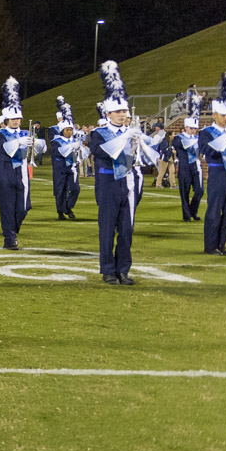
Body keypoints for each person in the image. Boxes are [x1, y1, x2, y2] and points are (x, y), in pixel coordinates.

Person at [88, 61, 157, 284]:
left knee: (127, 230)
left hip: (128, 183)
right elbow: (100, 152)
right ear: (108, 113)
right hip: (108, 184)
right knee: (108, 229)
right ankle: (108, 270)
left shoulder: (131, 131)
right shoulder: (98, 133)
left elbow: (148, 157)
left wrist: (144, 142)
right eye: (118, 111)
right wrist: (124, 138)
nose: (122, 114)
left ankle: (123, 269)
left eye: (124, 111)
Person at [0, 77, 45, 250]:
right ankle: (10, 237)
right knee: (7, 206)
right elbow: (4, 148)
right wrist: (20, 142)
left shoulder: (24, 132)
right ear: (6, 119)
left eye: (18, 118)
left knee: (23, 207)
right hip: (5, 172)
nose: (16, 121)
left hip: (22, 171)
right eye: (12, 118)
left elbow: (42, 147)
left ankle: (12, 229)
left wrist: (35, 143)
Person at [199, 68, 226, 256]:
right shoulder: (206, 132)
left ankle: (222, 243)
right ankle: (210, 245)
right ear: (214, 115)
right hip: (217, 173)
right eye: (222, 115)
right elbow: (208, 151)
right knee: (214, 210)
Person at [50, 98, 84, 221]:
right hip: (60, 168)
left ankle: (68, 207)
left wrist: (80, 148)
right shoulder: (56, 141)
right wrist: (71, 146)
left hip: (72, 167)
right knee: (60, 190)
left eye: (71, 130)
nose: (69, 132)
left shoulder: (75, 140)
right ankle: (60, 211)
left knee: (75, 189)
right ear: (62, 131)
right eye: (67, 130)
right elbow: (59, 152)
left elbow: (83, 153)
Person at [174, 89, 204, 222]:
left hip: (195, 166)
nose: (193, 130)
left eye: (195, 129)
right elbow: (181, 145)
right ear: (185, 127)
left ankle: (193, 211)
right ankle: (186, 215)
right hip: (185, 167)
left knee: (199, 191)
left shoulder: (198, 137)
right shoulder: (178, 138)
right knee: (184, 193)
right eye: (191, 128)